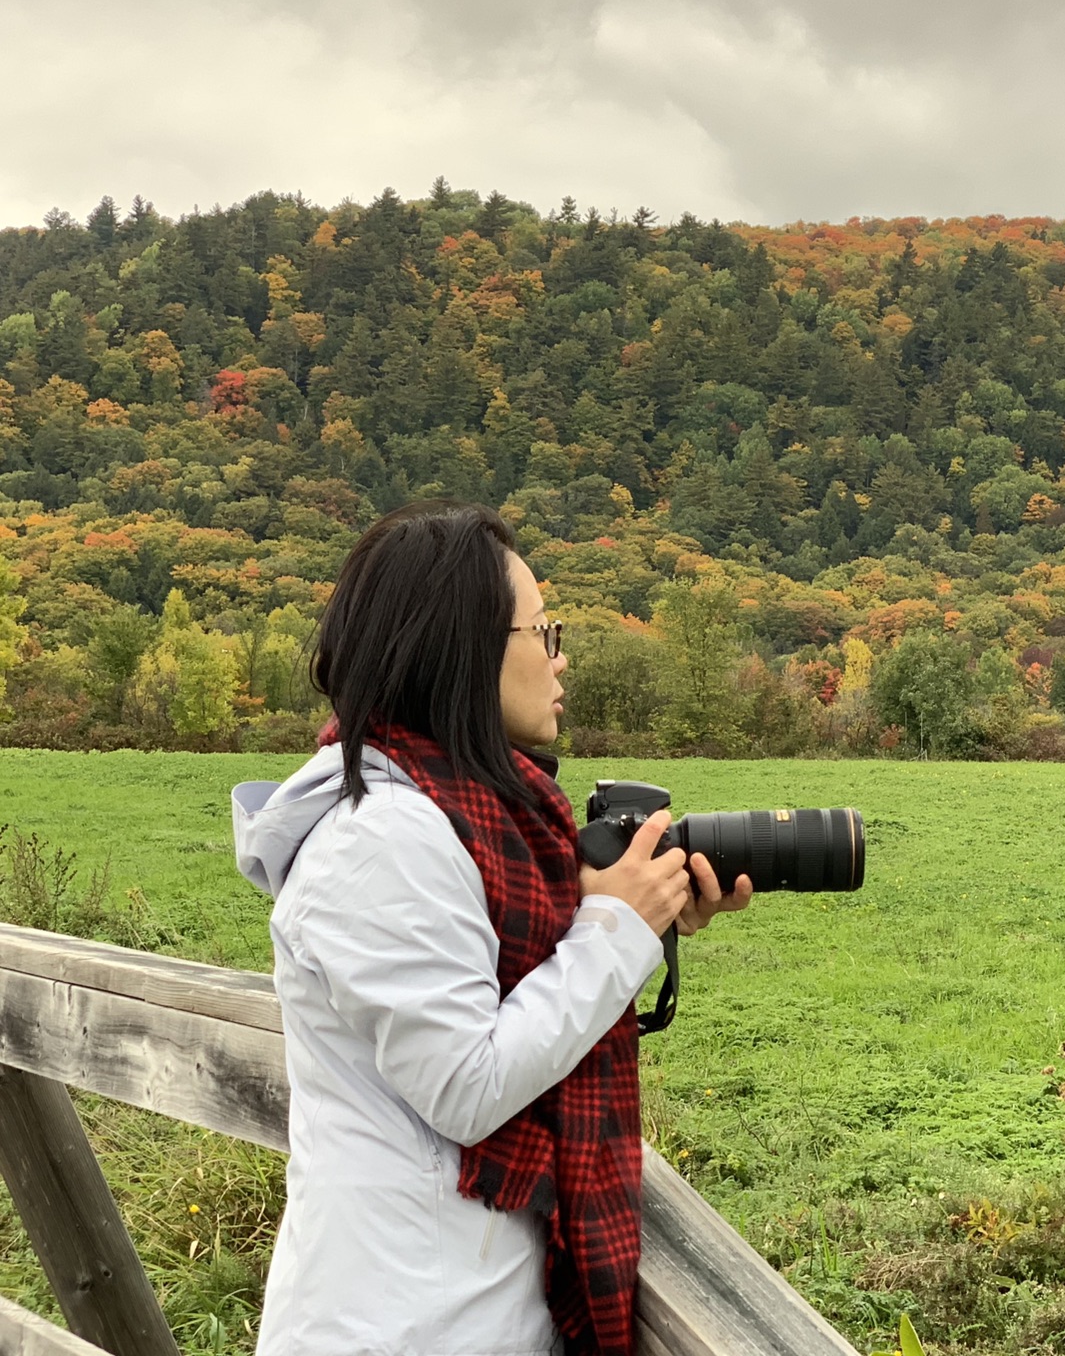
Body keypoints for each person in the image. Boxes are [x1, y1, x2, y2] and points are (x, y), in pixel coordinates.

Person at [231, 500, 749, 1356]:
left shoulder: (463, 815)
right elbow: (467, 1085)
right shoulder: (381, 841)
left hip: (456, 1308)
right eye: (543, 632)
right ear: (465, 649)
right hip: (404, 1326)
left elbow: (504, 975)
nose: (561, 657)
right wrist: (614, 932)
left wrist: (625, 914)